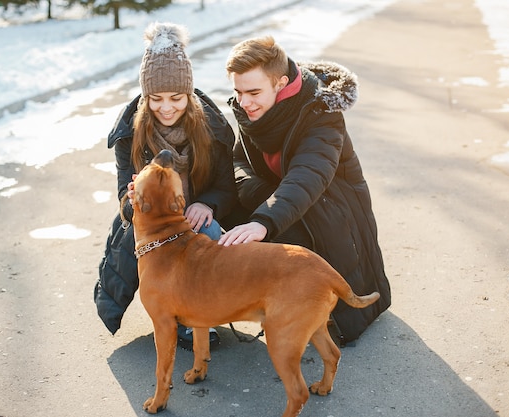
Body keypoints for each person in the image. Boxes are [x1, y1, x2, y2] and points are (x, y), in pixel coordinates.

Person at [219, 36, 391, 344]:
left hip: (333, 207)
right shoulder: (252, 111)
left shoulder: (321, 113)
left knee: (279, 226)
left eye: (253, 92)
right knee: (226, 209)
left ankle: (316, 307)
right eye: (238, 92)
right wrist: (256, 195)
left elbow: (307, 177)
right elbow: (237, 162)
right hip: (284, 198)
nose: (244, 102)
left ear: (281, 82)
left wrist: (263, 221)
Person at [94, 22, 237, 350]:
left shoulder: (212, 129)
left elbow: (227, 188)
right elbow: (123, 199)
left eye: (176, 97)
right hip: (153, 222)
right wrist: (132, 201)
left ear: (188, 93)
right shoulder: (130, 134)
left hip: (198, 219)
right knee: (157, 249)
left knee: (210, 231)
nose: (167, 107)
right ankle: (177, 313)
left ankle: (204, 309)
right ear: (146, 97)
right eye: (156, 98)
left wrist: (208, 203)